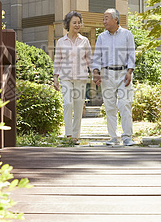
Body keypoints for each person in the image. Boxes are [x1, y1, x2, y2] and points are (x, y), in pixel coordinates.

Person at [92, 8, 135, 146]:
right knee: (110, 106)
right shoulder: (101, 37)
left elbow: (131, 55)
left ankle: (127, 137)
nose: (104, 21)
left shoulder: (127, 35)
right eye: (103, 19)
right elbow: (97, 56)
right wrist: (96, 72)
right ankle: (113, 137)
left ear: (116, 19)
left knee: (124, 104)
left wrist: (130, 71)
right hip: (107, 74)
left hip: (124, 73)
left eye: (106, 18)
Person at [53, 11, 92, 144]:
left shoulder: (84, 41)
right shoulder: (61, 42)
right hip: (66, 77)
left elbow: (89, 59)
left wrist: (95, 73)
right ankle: (68, 134)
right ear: (68, 24)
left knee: (78, 106)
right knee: (68, 103)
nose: (77, 25)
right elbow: (57, 60)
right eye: (74, 22)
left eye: (79, 22)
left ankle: (76, 136)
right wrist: (55, 78)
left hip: (81, 77)